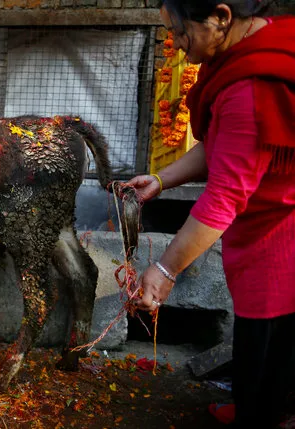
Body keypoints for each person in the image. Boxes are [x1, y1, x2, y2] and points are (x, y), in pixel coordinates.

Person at [128, 1, 295, 427]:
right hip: (262, 224)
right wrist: (162, 180)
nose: (176, 43)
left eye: (181, 31)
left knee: (268, 337)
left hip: (278, 233)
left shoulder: (252, 84)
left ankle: (260, 414)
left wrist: (164, 271)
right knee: (259, 336)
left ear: (221, 17)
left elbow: (223, 196)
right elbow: (224, 141)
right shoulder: (248, 49)